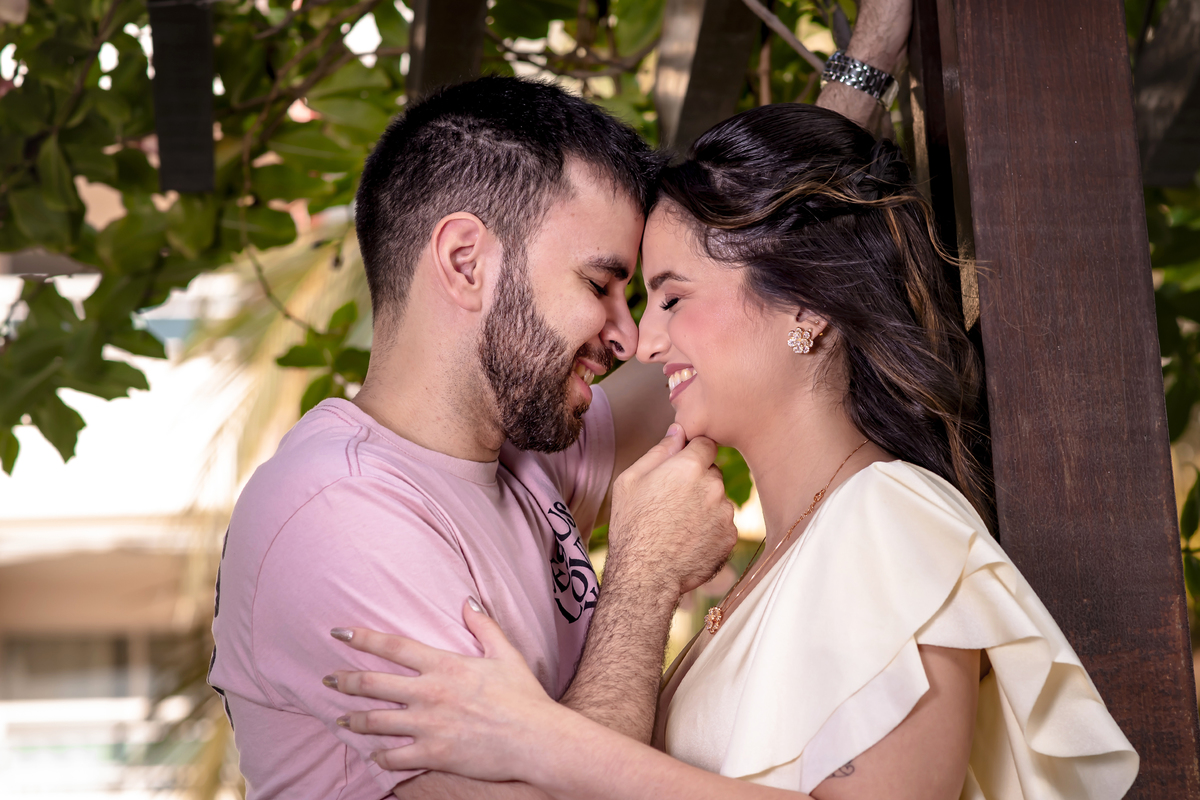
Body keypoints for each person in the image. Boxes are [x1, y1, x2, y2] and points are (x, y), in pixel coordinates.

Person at [322, 103, 1141, 799]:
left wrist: (542, 740)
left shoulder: (892, 520)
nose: (642, 341)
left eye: (672, 296)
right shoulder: (797, 550)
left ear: (808, 307)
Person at [209, 5, 914, 799]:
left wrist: (867, 65)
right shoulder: (338, 518)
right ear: (466, 260)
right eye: (601, 285)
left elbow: (744, 329)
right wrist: (644, 577)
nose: (633, 337)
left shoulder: (527, 452)